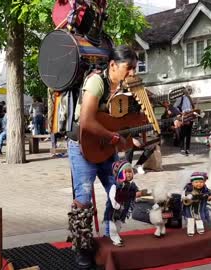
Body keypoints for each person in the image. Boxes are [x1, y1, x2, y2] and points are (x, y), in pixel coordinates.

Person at [66, 45, 137, 268]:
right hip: (83, 147)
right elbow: (87, 121)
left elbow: (126, 122)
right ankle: (82, 247)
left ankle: (111, 233)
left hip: (107, 146)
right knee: (84, 200)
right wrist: (114, 137)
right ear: (113, 65)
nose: (132, 73)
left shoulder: (125, 89)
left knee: (124, 188)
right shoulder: (97, 81)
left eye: (135, 68)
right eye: (129, 68)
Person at [104, 160, 142, 246]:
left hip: (123, 209)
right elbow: (113, 197)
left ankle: (116, 235)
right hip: (114, 210)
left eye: (130, 172)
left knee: (119, 225)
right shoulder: (115, 185)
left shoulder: (131, 185)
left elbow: (135, 191)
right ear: (120, 173)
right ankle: (114, 238)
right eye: (126, 172)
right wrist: (116, 206)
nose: (129, 174)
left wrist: (138, 193)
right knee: (113, 225)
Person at [173, 88, 195, 155]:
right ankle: (182, 148)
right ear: (185, 91)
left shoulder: (190, 98)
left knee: (188, 134)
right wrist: (180, 114)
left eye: (190, 91)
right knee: (182, 134)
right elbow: (174, 107)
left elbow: (192, 108)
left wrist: (194, 112)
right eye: (188, 90)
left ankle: (187, 148)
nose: (189, 92)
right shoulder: (180, 98)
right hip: (184, 117)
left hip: (190, 117)